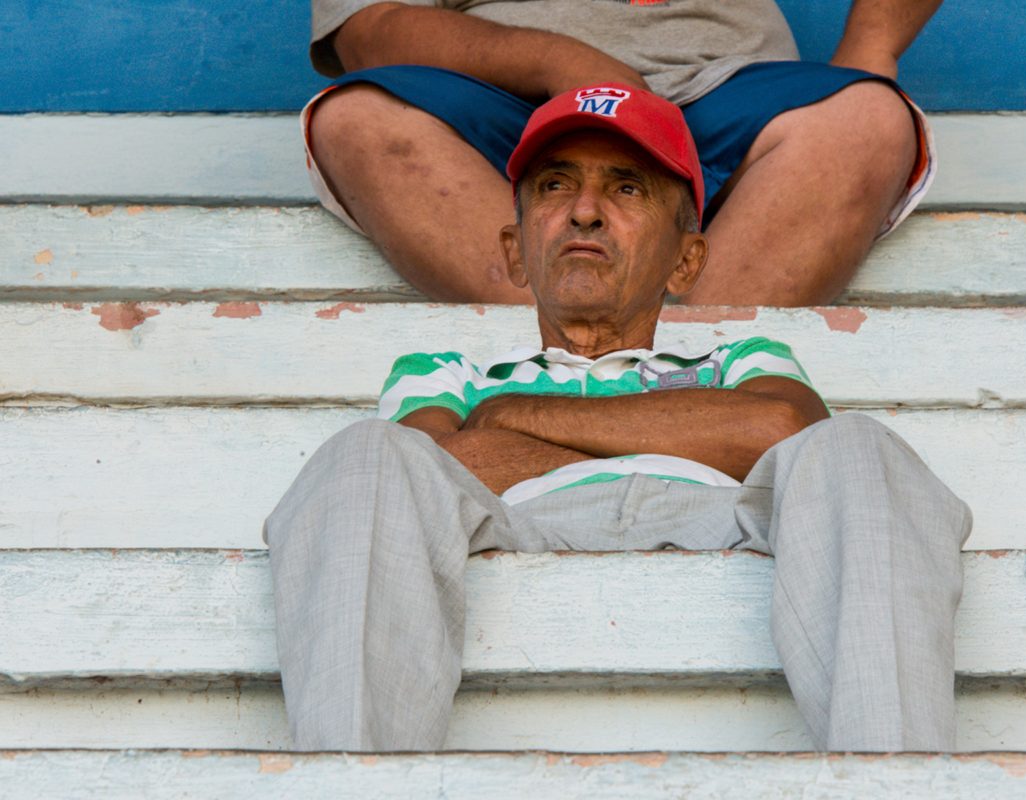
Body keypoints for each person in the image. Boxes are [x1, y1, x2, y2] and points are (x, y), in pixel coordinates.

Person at [265, 86, 971, 752]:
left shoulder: (741, 357)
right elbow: (426, 468)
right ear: (515, 250)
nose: (584, 212)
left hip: (718, 522)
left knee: (857, 446)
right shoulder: (446, 374)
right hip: (521, 523)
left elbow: (786, 432)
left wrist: (512, 418)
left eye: (626, 188)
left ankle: (893, 771)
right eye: (554, 186)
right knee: (365, 454)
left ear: (687, 259)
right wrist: (695, 437)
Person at [300, 0, 942, 306]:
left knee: (866, 118)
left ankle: (694, 383)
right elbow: (368, 31)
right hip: (507, 106)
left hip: (726, 91)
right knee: (357, 118)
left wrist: (871, 48)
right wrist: (558, 60)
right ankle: (559, 370)